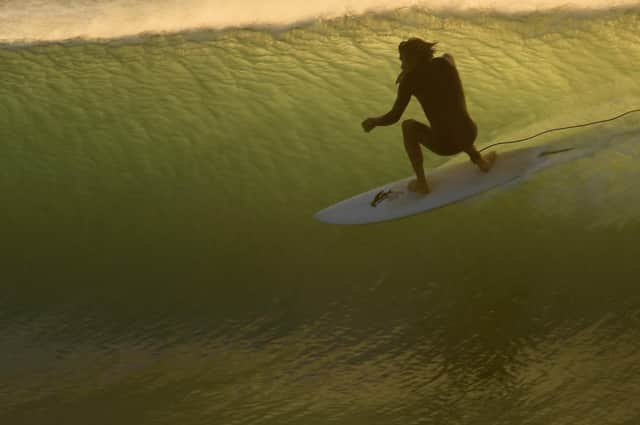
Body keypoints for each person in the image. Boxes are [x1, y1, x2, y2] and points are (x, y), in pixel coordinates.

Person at [362, 38, 497, 194]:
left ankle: (421, 183)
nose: (401, 64)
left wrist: (374, 121)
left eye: (404, 60)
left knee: (408, 126)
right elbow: (448, 56)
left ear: (413, 59)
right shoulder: (445, 63)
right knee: (452, 114)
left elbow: (394, 116)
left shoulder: (409, 81)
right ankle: (480, 161)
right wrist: (412, 69)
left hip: (446, 146)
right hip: (470, 133)